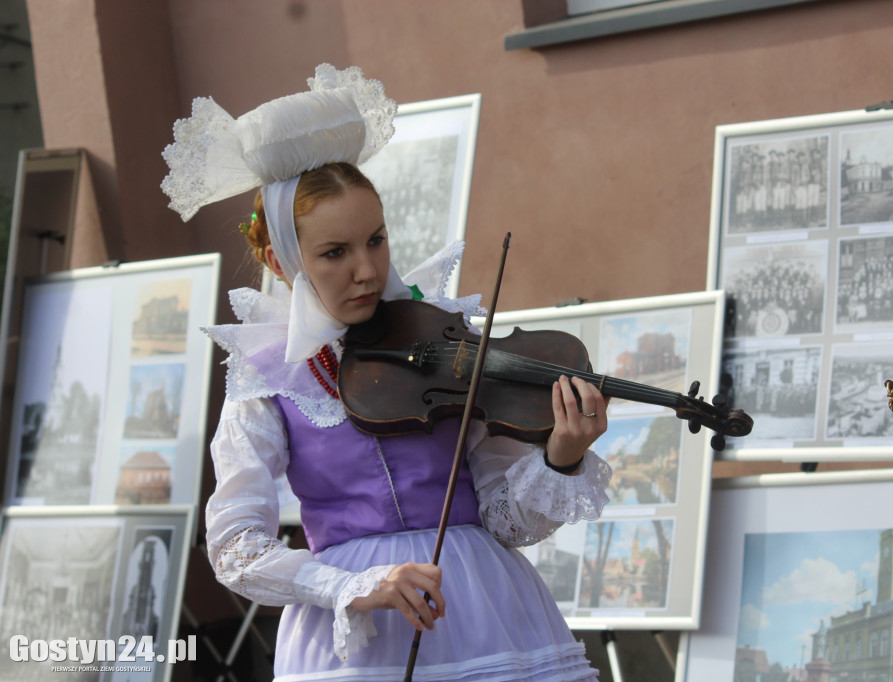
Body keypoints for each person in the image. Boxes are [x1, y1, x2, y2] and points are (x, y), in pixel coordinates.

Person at [161, 64, 612, 680]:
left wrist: (560, 457)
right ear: (278, 257)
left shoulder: (441, 341)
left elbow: (508, 521)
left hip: (484, 613)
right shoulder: (266, 380)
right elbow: (236, 548)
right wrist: (352, 585)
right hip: (354, 640)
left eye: (375, 240)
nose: (367, 270)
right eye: (334, 253)